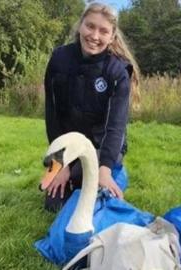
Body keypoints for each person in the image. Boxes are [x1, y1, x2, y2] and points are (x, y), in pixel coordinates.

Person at [43, 3, 140, 211]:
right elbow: (52, 117)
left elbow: (116, 128)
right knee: (54, 205)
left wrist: (103, 171)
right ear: (80, 26)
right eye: (90, 26)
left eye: (103, 31)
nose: (94, 36)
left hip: (101, 148)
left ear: (112, 36)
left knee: (95, 198)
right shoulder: (58, 59)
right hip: (69, 147)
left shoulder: (117, 72)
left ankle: (114, 171)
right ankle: (72, 172)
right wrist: (60, 164)